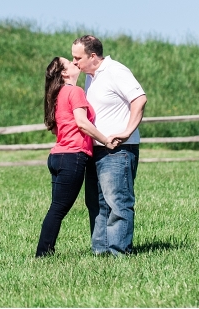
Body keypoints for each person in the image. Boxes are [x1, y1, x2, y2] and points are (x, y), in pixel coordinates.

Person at [71, 35, 147, 255]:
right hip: (96, 149)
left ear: (93, 56)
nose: (74, 62)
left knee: (117, 202)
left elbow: (139, 99)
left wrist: (126, 132)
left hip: (118, 150)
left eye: (78, 58)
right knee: (96, 202)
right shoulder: (91, 77)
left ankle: (119, 252)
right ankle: (101, 250)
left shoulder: (115, 71)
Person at [35, 57, 115, 258]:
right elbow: (82, 123)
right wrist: (105, 140)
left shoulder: (57, 94)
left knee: (57, 208)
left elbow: (55, 128)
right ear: (64, 73)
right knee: (58, 209)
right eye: (69, 63)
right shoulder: (75, 91)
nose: (74, 62)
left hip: (57, 156)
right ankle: (43, 254)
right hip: (72, 157)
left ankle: (46, 252)